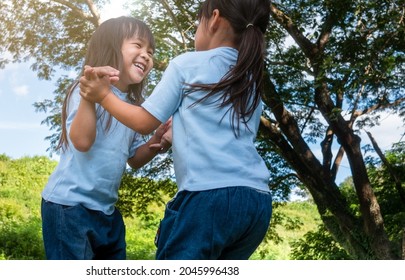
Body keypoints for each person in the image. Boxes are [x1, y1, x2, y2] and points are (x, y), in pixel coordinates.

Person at [80, 0, 272, 260]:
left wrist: (103, 95)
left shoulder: (188, 64)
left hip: (208, 198)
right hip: (256, 203)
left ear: (214, 19)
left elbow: (143, 121)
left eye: (197, 23)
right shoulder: (250, 78)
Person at [41, 16, 171, 260]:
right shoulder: (86, 89)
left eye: (150, 52)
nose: (146, 55)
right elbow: (81, 141)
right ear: (111, 47)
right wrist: (93, 97)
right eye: (138, 45)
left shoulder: (132, 107)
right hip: (69, 207)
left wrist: (156, 140)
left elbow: (134, 159)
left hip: (106, 212)